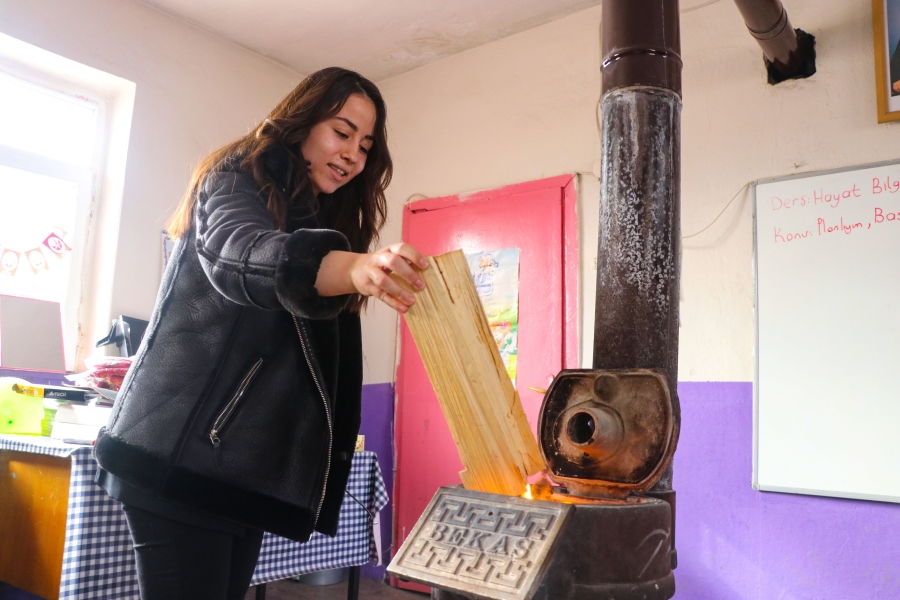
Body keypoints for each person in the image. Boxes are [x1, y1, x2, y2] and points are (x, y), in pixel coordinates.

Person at [93, 67, 427, 599]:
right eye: (341, 132)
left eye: (365, 145)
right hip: (177, 458)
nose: (353, 155)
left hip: (235, 472)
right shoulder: (234, 177)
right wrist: (354, 269)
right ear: (301, 122)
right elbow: (241, 253)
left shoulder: (316, 215)